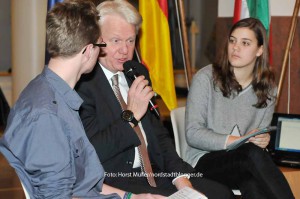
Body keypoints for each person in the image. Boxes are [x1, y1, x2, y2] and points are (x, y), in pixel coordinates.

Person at [0, 1, 163, 199]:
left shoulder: (58, 96)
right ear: (88, 50)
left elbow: (85, 182)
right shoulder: (46, 114)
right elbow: (58, 196)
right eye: (100, 45)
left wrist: (132, 197)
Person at [76, 0, 234, 198]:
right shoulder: (82, 84)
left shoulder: (136, 72)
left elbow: (158, 135)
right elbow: (93, 151)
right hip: (115, 180)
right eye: (116, 40)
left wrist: (181, 180)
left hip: (157, 173)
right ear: (97, 39)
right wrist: (130, 116)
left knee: (221, 193)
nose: (125, 50)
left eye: (130, 40)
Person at [185, 17, 294, 199]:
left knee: (251, 181)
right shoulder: (205, 78)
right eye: (233, 40)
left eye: (245, 43)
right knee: (250, 155)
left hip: (244, 163)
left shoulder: (268, 89)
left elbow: (256, 142)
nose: (235, 47)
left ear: (259, 50)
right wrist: (236, 140)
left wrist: (262, 140)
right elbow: (193, 134)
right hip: (203, 162)